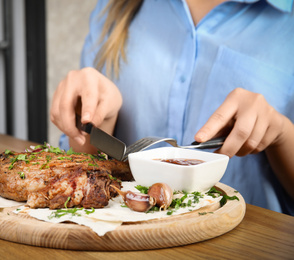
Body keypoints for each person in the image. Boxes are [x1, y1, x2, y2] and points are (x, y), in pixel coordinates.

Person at [50, 0, 294, 215]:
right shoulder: (114, 6)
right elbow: (82, 166)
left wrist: (282, 135)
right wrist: (100, 120)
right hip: (123, 239)